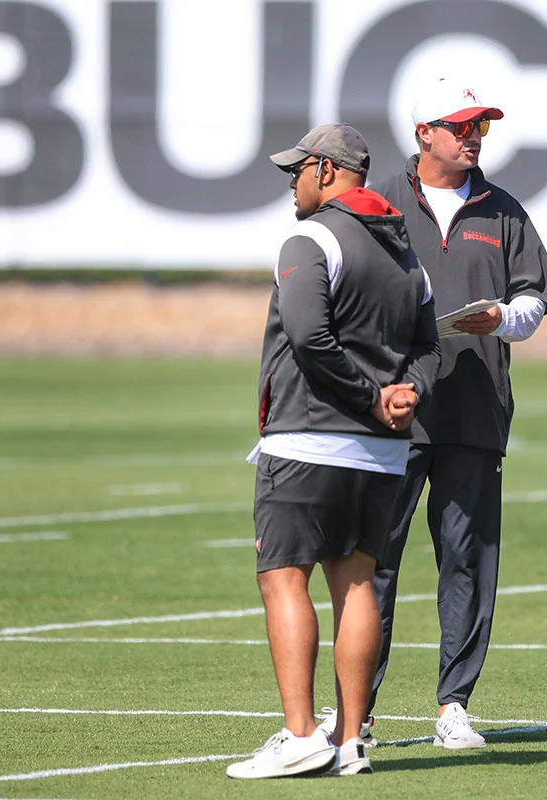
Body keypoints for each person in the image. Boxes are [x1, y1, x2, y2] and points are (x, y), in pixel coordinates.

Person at [328, 76, 547, 750]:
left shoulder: (504, 207)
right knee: (372, 561)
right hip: (392, 410)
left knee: (467, 559)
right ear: (423, 131)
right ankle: (355, 711)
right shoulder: (378, 202)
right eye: (460, 126)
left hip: (475, 410)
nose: (473, 137)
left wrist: (505, 317)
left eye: (480, 125)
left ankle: (453, 705)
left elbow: (535, 299)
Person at [226, 122, 440, 779]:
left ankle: (300, 735)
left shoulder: (310, 236)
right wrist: (406, 394)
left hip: (308, 437)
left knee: (282, 576)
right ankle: (350, 742)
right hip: (379, 453)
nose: (291, 183)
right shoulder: (407, 252)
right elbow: (432, 346)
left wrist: (373, 395)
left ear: (325, 169)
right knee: (356, 586)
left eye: (296, 171)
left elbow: (309, 338)